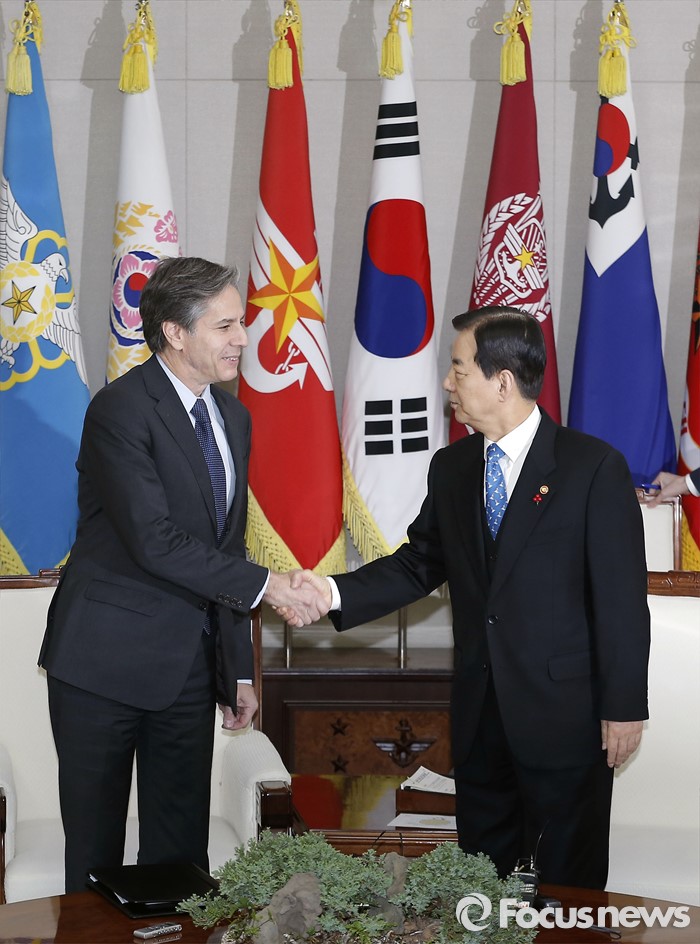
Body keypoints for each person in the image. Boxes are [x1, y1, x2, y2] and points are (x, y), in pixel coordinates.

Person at [284, 306, 650, 890]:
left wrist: (624, 707)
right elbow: (419, 563)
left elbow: (621, 599)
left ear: (502, 382)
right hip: (481, 716)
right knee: (481, 887)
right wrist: (329, 591)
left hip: (565, 719)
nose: (447, 383)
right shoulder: (453, 467)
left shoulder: (591, 467)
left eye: (458, 369)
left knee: (567, 891)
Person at [39, 256, 326, 893]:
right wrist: (271, 585)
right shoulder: (120, 410)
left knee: (180, 856)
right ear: (175, 332)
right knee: (96, 856)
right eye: (225, 326)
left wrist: (237, 668)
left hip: (189, 669)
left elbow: (226, 546)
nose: (242, 338)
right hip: (102, 665)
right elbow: (154, 541)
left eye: (241, 323)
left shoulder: (233, 417)